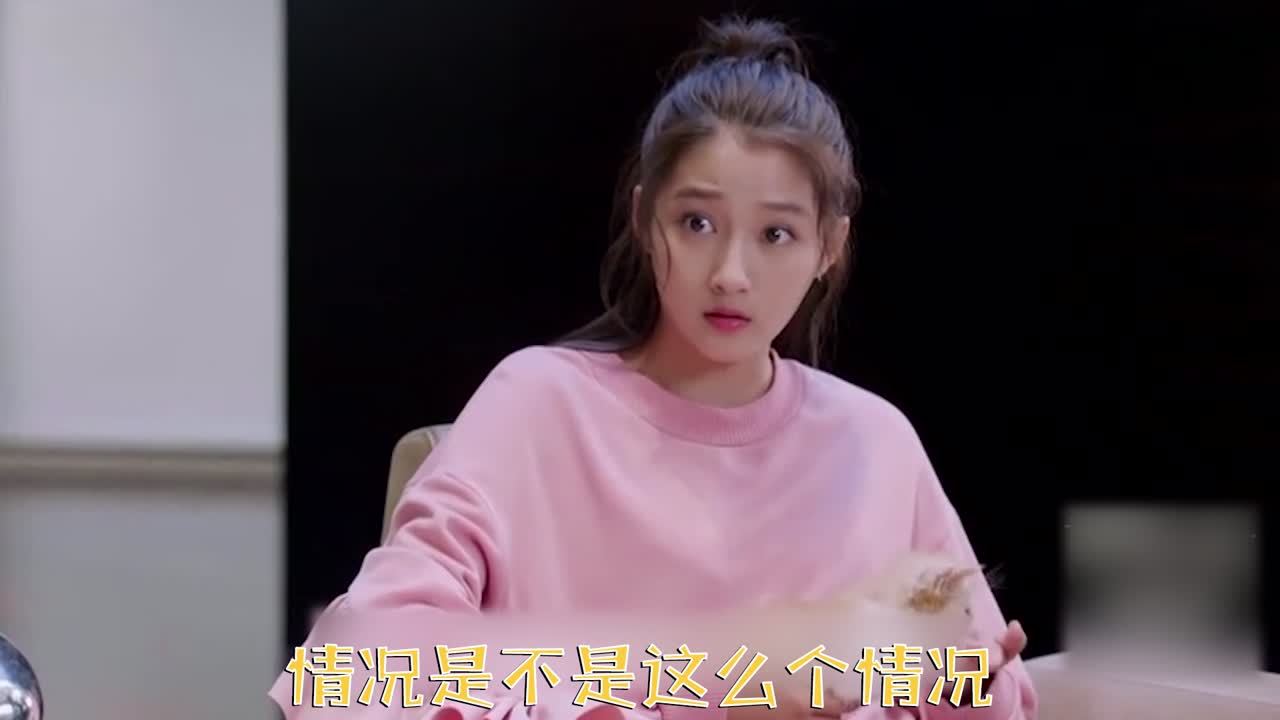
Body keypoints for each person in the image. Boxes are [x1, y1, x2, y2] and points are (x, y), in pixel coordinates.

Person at [270, 15, 1037, 720]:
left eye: (775, 235)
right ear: (644, 219)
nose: (730, 274)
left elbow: (981, 687)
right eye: (697, 223)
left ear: (828, 248)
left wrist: (961, 684)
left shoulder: (875, 443)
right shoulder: (537, 405)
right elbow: (357, 672)